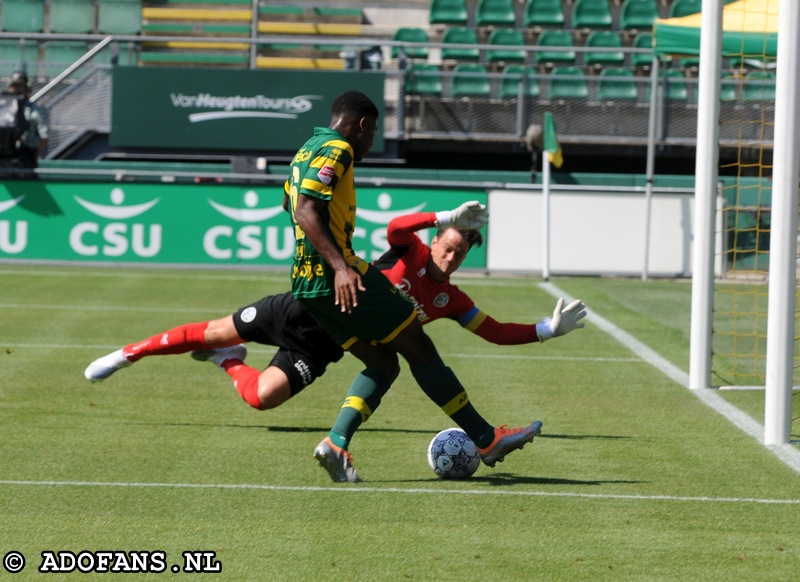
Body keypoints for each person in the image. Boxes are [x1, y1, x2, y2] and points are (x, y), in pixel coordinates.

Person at [283, 89, 578, 482]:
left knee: (384, 363)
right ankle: (486, 439)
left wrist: (547, 330)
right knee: (420, 347)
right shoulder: (339, 149)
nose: (371, 144)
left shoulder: (307, 148)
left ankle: (336, 443)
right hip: (339, 276)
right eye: (372, 136)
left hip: (306, 283)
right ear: (364, 125)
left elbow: (289, 204)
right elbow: (306, 210)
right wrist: (339, 265)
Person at [84, 213, 586, 413]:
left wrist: (547, 329)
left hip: (326, 344)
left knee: (262, 399)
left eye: (459, 253)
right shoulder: (408, 251)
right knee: (212, 330)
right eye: (447, 245)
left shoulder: (451, 301)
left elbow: (494, 332)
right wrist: (441, 216)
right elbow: (394, 228)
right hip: (305, 308)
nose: (450, 257)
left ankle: (228, 361)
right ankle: (129, 353)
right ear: (436, 241)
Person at [0, 71, 48, 170]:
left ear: (26, 87)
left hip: (26, 157)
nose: (16, 89)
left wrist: (35, 154)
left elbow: (44, 136)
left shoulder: (35, 109)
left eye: (20, 85)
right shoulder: (2, 107)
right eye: (14, 85)